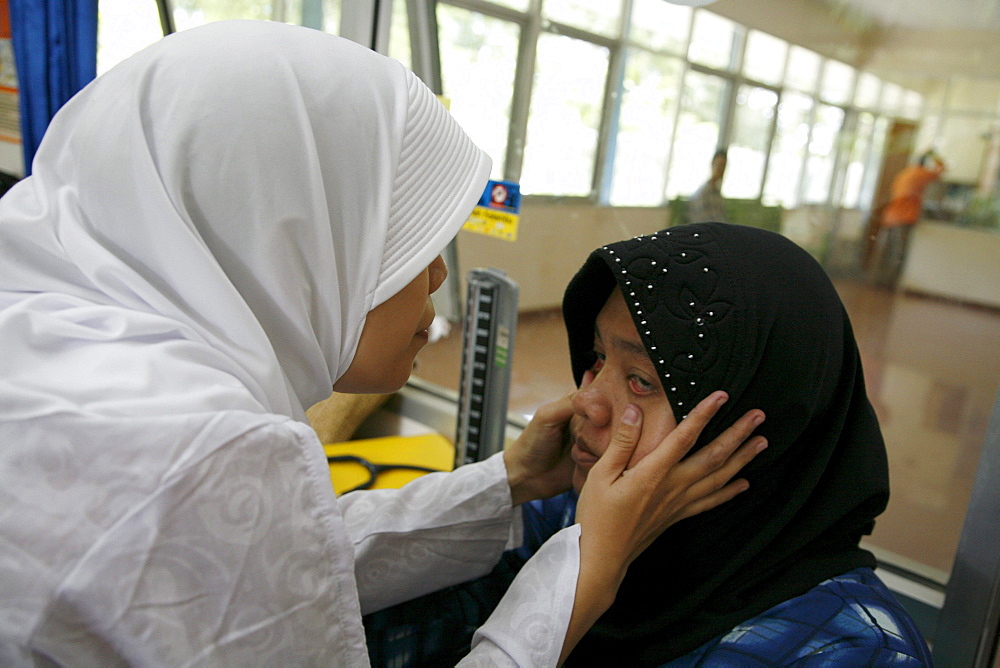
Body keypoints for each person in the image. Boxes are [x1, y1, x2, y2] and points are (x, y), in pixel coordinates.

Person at [0, 21, 766, 665]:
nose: (437, 275)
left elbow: (276, 566)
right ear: (292, 234)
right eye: (406, 243)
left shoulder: (57, 338)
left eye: (641, 379)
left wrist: (510, 481)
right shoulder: (199, 454)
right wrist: (586, 568)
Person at [366, 222, 932, 666]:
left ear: (760, 426)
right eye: (596, 358)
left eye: (642, 381)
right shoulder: (566, 527)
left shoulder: (849, 652)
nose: (585, 401)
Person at [869, 150, 946, 287]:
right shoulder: (920, 173)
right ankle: (888, 282)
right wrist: (936, 157)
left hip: (891, 215)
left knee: (885, 250)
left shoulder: (905, 172)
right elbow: (940, 170)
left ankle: (876, 279)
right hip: (903, 216)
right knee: (898, 251)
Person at [686, 149, 728, 224]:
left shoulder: (716, 192)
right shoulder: (703, 192)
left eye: (723, 166)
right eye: (719, 165)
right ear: (712, 165)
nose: (721, 169)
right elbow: (701, 221)